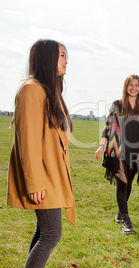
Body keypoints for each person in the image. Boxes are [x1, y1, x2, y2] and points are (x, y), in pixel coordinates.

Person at [7, 39, 76, 268]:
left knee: (44, 231)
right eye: (62, 55)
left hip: (52, 175)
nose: (66, 61)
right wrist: (34, 182)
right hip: (43, 177)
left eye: (66, 55)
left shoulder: (48, 91)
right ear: (47, 58)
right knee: (51, 235)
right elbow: (27, 142)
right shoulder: (31, 90)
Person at [95, 74, 139, 235]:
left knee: (128, 184)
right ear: (126, 87)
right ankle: (126, 221)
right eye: (130, 85)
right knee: (122, 182)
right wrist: (101, 146)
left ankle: (120, 213)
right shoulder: (117, 105)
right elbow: (108, 126)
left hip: (138, 152)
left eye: (136, 85)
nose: (133, 88)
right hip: (119, 150)